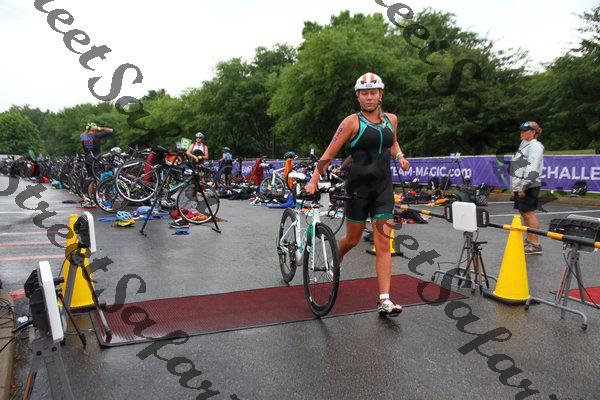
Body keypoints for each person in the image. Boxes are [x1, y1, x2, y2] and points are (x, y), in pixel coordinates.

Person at [305, 72, 410, 316]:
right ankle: (336, 258)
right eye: (364, 94)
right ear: (358, 96)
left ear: (380, 94)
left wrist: (400, 156)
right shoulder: (351, 122)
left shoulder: (392, 119)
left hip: (383, 189)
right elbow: (330, 152)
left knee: (383, 243)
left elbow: (393, 142)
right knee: (352, 240)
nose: (369, 97)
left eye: (373, 93)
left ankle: (384, 299)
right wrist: (313, 180)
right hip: (357, 190)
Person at [510, 121, 544, 255]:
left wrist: (523, 186)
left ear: (533, 132)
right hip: (521, 185)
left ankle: (535, 243)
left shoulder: (535, 146)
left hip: (529, 184)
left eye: (525, 131)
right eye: (521, 130)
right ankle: (529, 240)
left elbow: (532, 167)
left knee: (529, 213)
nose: (522, 133)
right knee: (524, 213)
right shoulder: (525, 145)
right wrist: (515, 187)